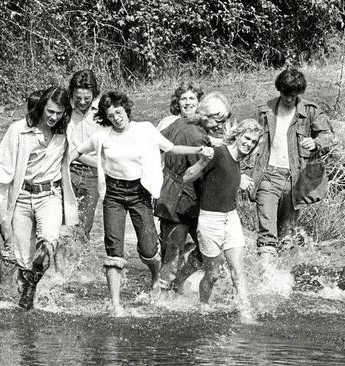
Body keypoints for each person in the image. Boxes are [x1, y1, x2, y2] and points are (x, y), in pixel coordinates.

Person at [71, 91, 213, 316]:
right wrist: (56, 165)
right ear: (106, 118)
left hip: (140, 193)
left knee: (148, 248)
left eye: (118, 112)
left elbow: (171, 148)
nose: (116, 117)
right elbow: (76, 151)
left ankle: (156, 273)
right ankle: (116, 305)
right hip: (114, 196)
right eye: (110, 115)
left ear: (126, 109)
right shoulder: (102, 136)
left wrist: (198, 150)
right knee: (113, 249)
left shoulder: (145, 129)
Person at [0, 86, 77, 310]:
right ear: (42, 106)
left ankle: (32, 284)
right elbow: (3, 165)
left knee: (49, 241)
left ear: (65, 113)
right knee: (21, 257)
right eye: (50, 111)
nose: (53, 117)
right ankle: (27, 294)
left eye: (59, 113)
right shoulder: (20, 130)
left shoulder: (66, 132)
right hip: (22, 196)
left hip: (50, 195)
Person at [246, 68, 336, 263]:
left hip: (295, 180)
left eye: (293, 95)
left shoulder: (310, 111)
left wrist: (316, 143)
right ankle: (266, 281)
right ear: (279, 90)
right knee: (267, 233)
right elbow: (249, 139)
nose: (289, 99)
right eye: (285, 94)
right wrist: (244, 172)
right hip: (267, 177)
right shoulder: (264, 110)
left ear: (299, 92)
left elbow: (328, 135)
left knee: (286, 235)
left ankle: (283, 283)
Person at [182, 119, 263, 317]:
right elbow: (186, 178)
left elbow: (225, 179)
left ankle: (245, 312)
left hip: (231, 218)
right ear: (237, 135)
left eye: (253, 141)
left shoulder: (238, 162)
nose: (249, 144)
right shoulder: (218, 153)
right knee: (213, 275)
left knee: (238, 270)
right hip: (210, 220)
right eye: (246, 138)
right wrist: (202, 161)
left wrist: (239, 179)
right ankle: (203, 306)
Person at [154, 92, 232, 296]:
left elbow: (159, 147)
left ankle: (170, 288)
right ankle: (166, 294)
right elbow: (201, 173)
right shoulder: (197, 136)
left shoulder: (180, 122)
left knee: (172, 252)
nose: (220, 126)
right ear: (206, 114)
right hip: (184, 200)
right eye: (218, 120)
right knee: (191, 253)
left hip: (169, 194)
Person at [0, 89, 44, 282]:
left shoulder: (46, 137)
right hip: (7, 199)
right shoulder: (18, 132)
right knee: (12, 246)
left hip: (27, 199)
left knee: (29, 247)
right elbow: (2, 169)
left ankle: (23, 286)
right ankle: (6, 290)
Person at [66, 70, 102, 238]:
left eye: (86, 99)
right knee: (63, 221)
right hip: (67, 170)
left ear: (93, 94)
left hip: (93, 175)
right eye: (77, 97)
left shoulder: (103, 111)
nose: (81, 102)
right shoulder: (65, 109)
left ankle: (77, 263)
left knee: (83, 227)